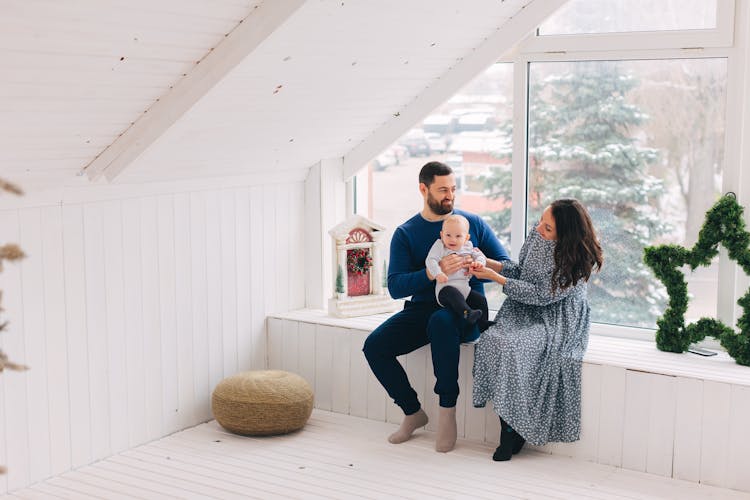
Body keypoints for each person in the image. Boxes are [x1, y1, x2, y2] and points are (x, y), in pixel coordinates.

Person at [363, 161, 509, 453]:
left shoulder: (472, 225)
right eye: (443, 190)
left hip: (463, 309)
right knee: (374, 346)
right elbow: (395, 287)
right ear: (423, 189)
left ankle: (447, 413)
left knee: (442, 322)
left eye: (453, 189)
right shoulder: (406, 233)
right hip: (422, 309)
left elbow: (505, 266)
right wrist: (432, 271)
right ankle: (412, 412)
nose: (450, 196)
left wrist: (480, 266)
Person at [471, 198, 603, 461]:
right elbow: (522, 272)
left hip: (554, 318)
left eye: (548, 228)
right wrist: (489, 263)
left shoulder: (578, 261)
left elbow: (543, 295)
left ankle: (509, 433)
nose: (539, 230)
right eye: (541, 222)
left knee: (512, 346)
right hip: (522, 307)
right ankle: (511, 425)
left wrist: (496, 278)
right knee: (491, 340)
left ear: (566, 235)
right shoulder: (538, 236)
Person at [425, 214, 493, 331]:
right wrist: (438, 273)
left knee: (480, 299)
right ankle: (467, 314)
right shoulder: (440, 246)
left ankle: (483, 325)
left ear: (466, 238)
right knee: (452, 293)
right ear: (442, 235)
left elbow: (480, 256)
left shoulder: (468, 247)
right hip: (444, 290)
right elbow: (430, 260)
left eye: (458, 236)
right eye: (448, 235)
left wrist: (479, 263)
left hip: (465, 290)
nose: (452, 239)